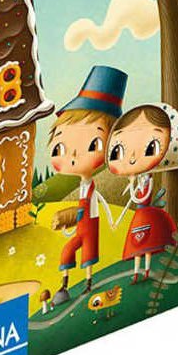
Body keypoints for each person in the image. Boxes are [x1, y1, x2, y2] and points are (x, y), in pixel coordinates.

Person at [49, 66, 128, 304]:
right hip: (81, 228)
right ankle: (64, 285)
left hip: (91, 227)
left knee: (88, 257)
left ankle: (88, 282)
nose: (73, 156)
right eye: (60, 147)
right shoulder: (83, 187)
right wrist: (69, 222)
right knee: (67, 251)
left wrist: (111, 220)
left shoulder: (92, 189)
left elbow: (98, 203)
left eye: (93, 145)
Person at [107, 103, 178, 283]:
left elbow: (143, 197)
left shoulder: (148, 180)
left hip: (146, 216)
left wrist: (136, 188)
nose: (133, 158)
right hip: (139, 217)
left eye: (151, 147)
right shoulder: (136, 181)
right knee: (137, 248)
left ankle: (146, 271)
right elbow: (133, 199)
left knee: (147, 248)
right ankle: (136, 272)